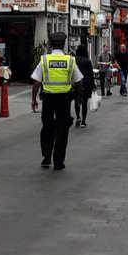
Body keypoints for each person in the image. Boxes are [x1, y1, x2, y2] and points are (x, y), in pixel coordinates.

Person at [30, 31, 83, 171]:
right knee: (62, 130)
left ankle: (46, 157)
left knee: (47, 127)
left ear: (51, 45)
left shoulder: (44, 60)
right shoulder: (70, 60)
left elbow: (36, 82)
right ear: (64, 44)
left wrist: (33, 99)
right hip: (64, 100)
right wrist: (79, 97)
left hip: (48, 99)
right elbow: (78, 82)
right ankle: (58, 162)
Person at [74, 44, 96, 128]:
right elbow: (90, 74)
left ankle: (78, 117)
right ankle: (83, 121)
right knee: (84, 103)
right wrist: (93, 85)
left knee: (77, 101)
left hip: (76, 83)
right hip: (86, 83)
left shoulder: (74, 60)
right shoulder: (87, 61)